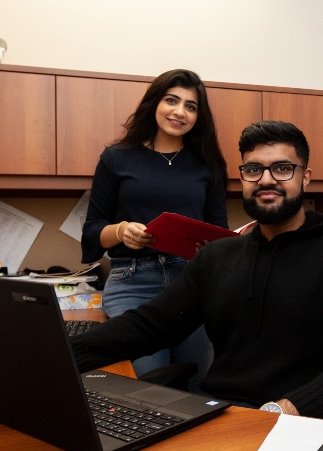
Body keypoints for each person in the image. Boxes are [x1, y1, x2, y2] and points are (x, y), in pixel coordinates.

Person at [71, 121, 323, 419]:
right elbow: (150, 325)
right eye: (253, 170)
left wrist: (283, 410)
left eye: (283, 168)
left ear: (306, 177)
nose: (267, 180)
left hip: (307, 422)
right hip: (225, 418)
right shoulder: (217, 257)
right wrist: (57, 355)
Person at [80, 69, 227, 393]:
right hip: (132, 283)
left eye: (191, 106)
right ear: (154, 103)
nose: (180, 111)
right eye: (172, 100)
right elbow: (92, 230)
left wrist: (210, 247)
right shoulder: (117, 158)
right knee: (150, 392)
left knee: (199, 389)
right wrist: (120, 231)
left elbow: (220, 232)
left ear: (198, 116)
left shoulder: (208, 165)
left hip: (192, 283)